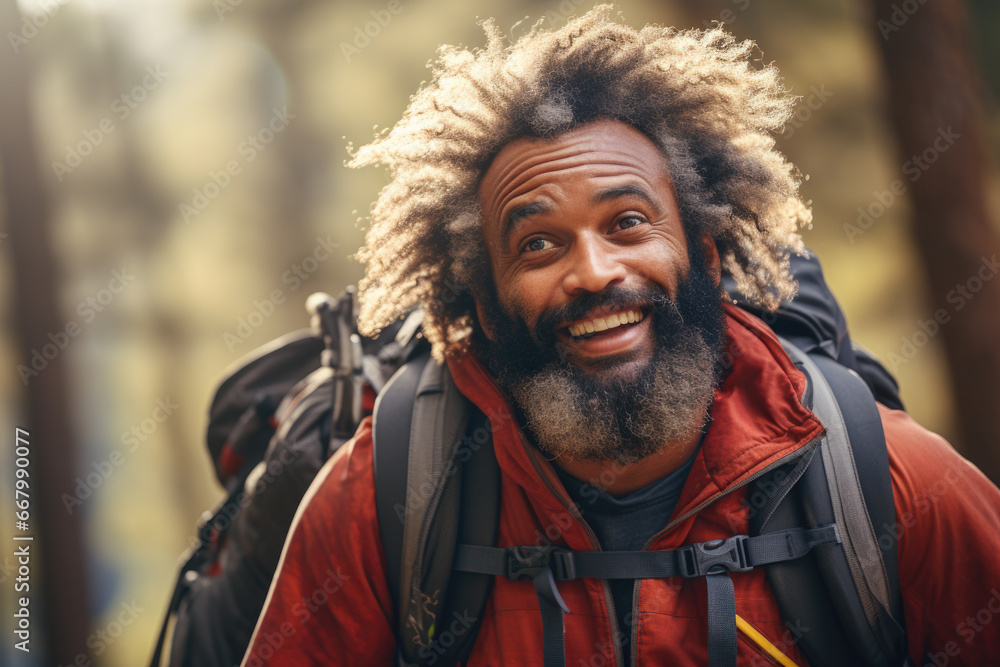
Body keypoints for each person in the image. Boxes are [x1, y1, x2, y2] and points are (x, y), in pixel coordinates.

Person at [241, 7, 1000, 666]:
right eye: (538, 244)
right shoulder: (386, 500)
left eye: (628, 223)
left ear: (703, 251)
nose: (594, 272)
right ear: (485, 298)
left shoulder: (890, 483)